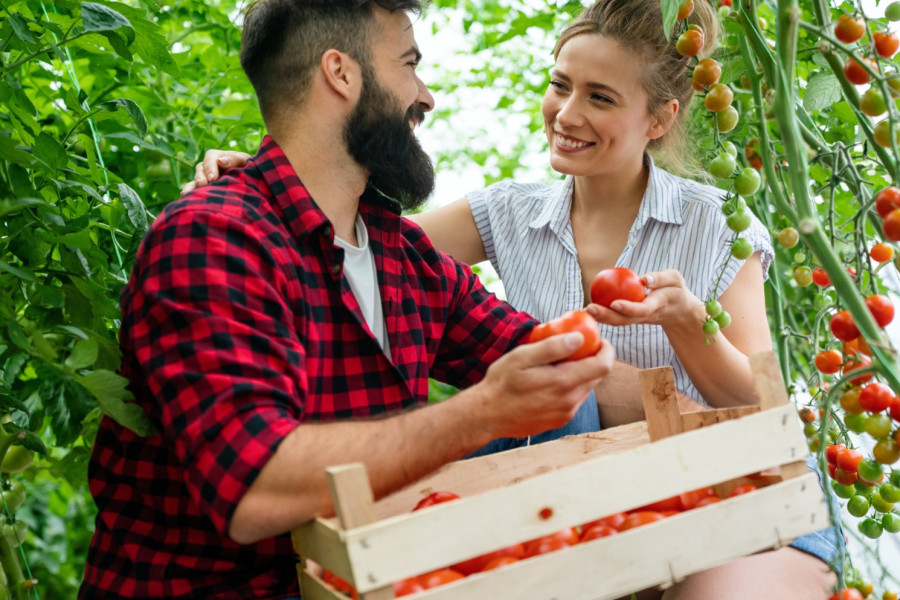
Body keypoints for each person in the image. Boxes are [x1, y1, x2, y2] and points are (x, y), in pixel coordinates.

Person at [188, 1, 841, 598]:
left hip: (730, 491)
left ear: (660, 118)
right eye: (562, 86)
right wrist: (269, 173)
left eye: (601, 97)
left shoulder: (715, 224)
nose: (568, 113)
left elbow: (761, 418)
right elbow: (352, 248)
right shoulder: (507, 212)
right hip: (588, 505)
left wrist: (688, 322)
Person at [77, 1, 617, 598]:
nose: (426, 96)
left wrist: (707, 372)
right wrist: (485, 409)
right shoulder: (213, 238)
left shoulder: (403, 256)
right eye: (409, 64)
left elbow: (557, 363)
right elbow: (255, 488)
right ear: (341, 73)